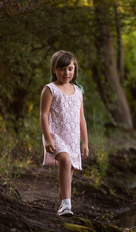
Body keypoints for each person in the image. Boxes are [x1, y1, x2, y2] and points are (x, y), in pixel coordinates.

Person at [40, 50, 89, 216]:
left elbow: (81, 118)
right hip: (55, 135)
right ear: (53, 69)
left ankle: (62, 208)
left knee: (68, 173)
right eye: (62, 69)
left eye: (70, 68)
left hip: (73, 137)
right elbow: (44, 115)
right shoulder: (50, 89)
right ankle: (68, 205)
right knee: (66, 161)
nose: (66, 73)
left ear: (74, 69)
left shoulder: (78, 91)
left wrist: (85, 142)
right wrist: (47, 138)